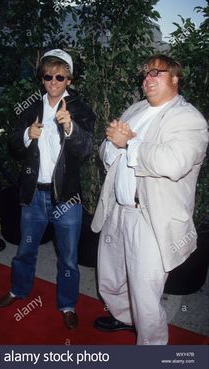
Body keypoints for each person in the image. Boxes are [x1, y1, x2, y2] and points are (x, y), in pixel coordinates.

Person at [91, 54, 208, 344]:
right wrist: (113, 145)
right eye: (145, 74)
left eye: (157, 72)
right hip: (119, 209)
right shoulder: (136, 108)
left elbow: (173, 163)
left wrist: (129, 142)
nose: (148, 78)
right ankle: (125, 319)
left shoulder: (189, 118)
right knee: (110, 279)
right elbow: (109, 152)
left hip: (150, 217)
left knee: (145, 294)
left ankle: (153, 349)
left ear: (175, 78)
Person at [0, 49, 95, 330]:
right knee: (25, 250)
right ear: (42, 79)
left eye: (60, 76)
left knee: (69, 257)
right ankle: (18, 290)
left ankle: (67, 304)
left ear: (69, 79)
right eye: (48, 76)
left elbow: (86, 148)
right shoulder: (30, 107)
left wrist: (70, 128)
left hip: (66, 196)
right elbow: (14, 146)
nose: (53, 81)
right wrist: (28, 134)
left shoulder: (80, 109)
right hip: (33, 194)